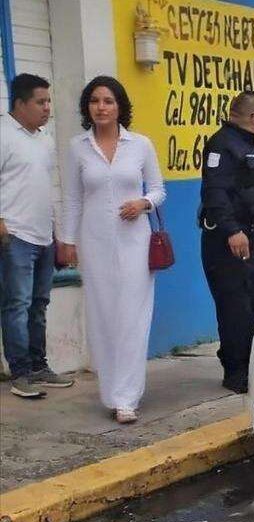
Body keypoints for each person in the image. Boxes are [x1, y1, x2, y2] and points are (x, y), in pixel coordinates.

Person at [61, 76, 165, 424]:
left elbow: (159, 189)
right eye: (94, 101)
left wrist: (143, 203)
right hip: (95, 242)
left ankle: (127, 397)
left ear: (120, 106)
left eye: (108, 101)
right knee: (103, 314)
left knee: (133, 316)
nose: (101, 107)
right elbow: (73, 199)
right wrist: (67, 240)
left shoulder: (141, 145)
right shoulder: (78, 147)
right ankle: (111, 391)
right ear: (87, 107)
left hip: (135, 241)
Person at [199, 91, 254, 394]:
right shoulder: (223, 145)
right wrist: (232, 230)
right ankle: (236, 372)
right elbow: (215, 193)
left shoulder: (248, 146)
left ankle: (253, 368)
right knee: (236, 307)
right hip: (234, 242)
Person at [0, 73, 74, 398]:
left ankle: (39, 365)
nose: (47, 108)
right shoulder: (3, 135)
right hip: (14, 235)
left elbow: (48, 190)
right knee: (16, 304)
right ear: (20, 103)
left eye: (48, 102)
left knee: (39, 304)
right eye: (40, 102)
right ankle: (20, 374)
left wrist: (57, 234)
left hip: (44, 236)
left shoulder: (44, 140)